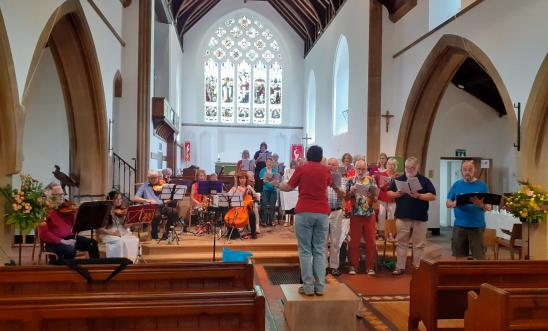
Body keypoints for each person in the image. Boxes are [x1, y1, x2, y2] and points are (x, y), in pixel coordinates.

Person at [274, 145, 343, 296]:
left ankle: (307, 287)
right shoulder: (326, 170)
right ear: (321, 156)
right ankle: (320, 287)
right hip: (322, 213)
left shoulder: (302, 169)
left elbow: (288, 187)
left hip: (304, 211)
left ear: (307, 156)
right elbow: (336, 187)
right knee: (319, 250)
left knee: (305, 251)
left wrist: (276, 183)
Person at [387, 157, 436, 275]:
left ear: (417, 167)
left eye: (412, 168)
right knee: (401, 243)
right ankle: (400, 267)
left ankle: (417, 267)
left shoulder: (424, 180)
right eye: (407, 167)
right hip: (403, 216)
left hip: (420, 217)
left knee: (418, 244)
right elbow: (389, 193)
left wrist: (419, 196)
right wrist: (397, 194)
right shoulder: (399, 179)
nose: (409, 170)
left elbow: (433, 196)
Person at [38, 183, 99, 262]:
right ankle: (64, 270)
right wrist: (64, 241)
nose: (62, 197)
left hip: (70, 238)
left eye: (62, 194)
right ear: (49, 197)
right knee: (69, 251)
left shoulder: (67, 208)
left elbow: (76, 226)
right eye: (58, 195)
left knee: (92, 243)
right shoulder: (43, 211)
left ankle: (95, 267)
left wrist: (82, 212)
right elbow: (44, 234)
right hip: (53, 242)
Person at [446, 160, 492, 259]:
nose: (467, 172)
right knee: (459, 256)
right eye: (465, 169)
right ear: (461, 171)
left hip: (477, 226)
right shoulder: (457, 184)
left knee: (479, 256)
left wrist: (482, 205)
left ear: (474, 170)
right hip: (460, 226)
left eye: (470, 169)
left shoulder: (482, 185)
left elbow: (489, 207)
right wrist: (455, 203)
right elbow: (448, 203)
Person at [345, 159, 379, 275]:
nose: (360, 171)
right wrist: (352, 192)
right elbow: (346, 198)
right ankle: (353, 266)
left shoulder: (371, 180)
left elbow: (375, 199)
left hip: (369, 215)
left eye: (363, 169)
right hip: (355, 214)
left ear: (366, 169)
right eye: (358, 168)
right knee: (354, 242)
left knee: (371, 242)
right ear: (354, 169)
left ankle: (370, 267)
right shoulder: (350, 181)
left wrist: (371, 195)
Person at [132, 170, 179, 240]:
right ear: (148, 178)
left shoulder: (162, 185)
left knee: (174, 212)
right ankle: (154, 233)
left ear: (158, 177)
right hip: (150, 207)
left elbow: (168, 198)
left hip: (162, 206)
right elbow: (135, 198)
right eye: (152, 178)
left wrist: (168, 200)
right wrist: (146, 200)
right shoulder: (144, 186)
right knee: (157, 215)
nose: (154, 179)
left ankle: (167, 232)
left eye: (155, 177)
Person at [99, 191, 139, 262]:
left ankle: (131, 261)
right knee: (120, 241)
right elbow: (100, 229)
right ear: (110, 199)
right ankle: (118, 262)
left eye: (120, 199)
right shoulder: (105, 211)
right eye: (116, 199)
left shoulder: (122, 210)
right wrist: (113, 233)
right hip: (109, 233)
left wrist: (135, 223)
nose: (119, 201)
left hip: (122, 231)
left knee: (134, 240)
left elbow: (125, 226)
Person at [326, 158, 346, 276]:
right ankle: (322, 266)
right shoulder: (322, 178)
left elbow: (343, 195)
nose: (331, 166)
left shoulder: (341, 180)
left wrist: (335, 186)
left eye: (333, 165)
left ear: (337, 167)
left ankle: (334, 266)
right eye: (329, 164)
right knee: (322, 241)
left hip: (336, 212)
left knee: (335, 241)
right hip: (323, 212)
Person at [227, 173, 258, 239]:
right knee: (227, 214)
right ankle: (233, 233)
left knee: (252, 214)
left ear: (246, 179)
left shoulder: (248, 188)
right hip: (236, 207)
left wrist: (251, 189)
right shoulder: (234, 188)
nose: (242, 180)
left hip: (246, 207)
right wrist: (232, 193)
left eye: (244, 178)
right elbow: (228, 196)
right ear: (238, 180)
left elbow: (256, 197)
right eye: (240, 178)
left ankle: (253, 233)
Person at [375, 157, 399, 240]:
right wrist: (386, 183)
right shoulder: (382, 174)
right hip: (383, 196)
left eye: (393, 165)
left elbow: (399, 187)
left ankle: (390, 233)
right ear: (387, 165)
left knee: (391, 215)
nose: (391, 166)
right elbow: (380, 187)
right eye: (389, 164)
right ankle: (381, 233)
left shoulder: (397, 175)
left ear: (395, 166)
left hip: (392, 198)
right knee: (381, 214)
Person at [259, 157, 279, 226]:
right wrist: (265, 180)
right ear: (266, 163)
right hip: (265, 189)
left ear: (272, 163)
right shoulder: (262, 170)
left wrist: (275, 182)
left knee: (272, 205)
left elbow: (277, 180)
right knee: (264, 204)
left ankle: (271, 220)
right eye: (268, 162)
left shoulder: (275, 171)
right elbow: (261, 180)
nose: (269, 163)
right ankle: (264, 220)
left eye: (271, 162)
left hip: (273, 189)